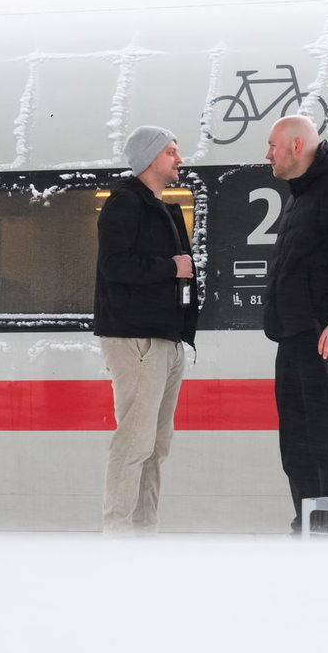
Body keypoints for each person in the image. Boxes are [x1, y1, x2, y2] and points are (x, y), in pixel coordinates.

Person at [262, 114, 328, 533]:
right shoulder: (299, 197)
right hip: (293, 337)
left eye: (272, 145)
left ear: (295, 146)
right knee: (295, 441)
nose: (266, 153)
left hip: (326, 337)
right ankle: (308, 522)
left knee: (323, 435)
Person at [92, 124, 198, 535]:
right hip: (135, 338)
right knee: (135, 443)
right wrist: (171, 268)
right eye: (172, 151)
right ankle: (118, 533)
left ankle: (144, 530)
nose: (179, 159)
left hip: (164, 338)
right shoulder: (125, 204)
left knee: (155, 446)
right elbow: (114, 266)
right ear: (152, 158)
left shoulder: (157, 206)